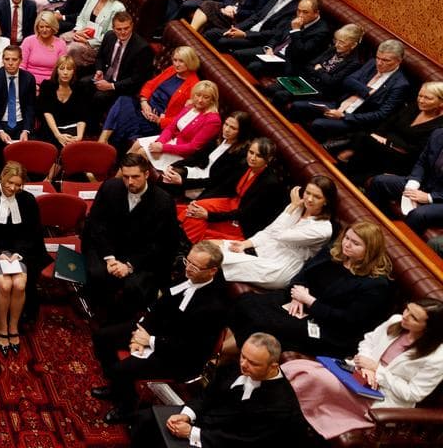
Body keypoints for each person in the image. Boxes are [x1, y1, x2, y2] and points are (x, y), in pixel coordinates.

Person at [91, 241, 230, 423]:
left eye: (195, 266)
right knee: (102, 337)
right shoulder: (188, 274)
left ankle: (126, 407)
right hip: (157, 332)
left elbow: (188, 346)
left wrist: (150, 341)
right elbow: (159, 307)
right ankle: (117, 387)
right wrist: (141, 334)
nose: (188, 268)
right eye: (188, 262)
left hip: (178, 356)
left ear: (212, 271)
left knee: (121, 369)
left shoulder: (215, 306)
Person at [282, 300, 443, 439]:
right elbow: (368, 341)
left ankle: (284, 409)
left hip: (381, 396)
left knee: (315, 378)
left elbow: (413, 393)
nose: (405, 315)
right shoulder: (396, 321)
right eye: (407, 308)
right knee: (302, 368)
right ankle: (283, 406)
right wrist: (364, 362)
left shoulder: (437, 357)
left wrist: (377, 371)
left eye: (413, 317)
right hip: (359, 372)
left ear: (429, 328)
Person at [232, 220, 394, 356]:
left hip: (328, 329)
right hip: (299, 301)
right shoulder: (333, 252)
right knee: (246, 302)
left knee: (263, 323)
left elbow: (348, 320)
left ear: (370, 250)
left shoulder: (376, 285)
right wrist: (297, 295)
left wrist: (310, 301)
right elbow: (303, 274)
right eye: (347, 238)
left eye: (355, 243)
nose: (347, 244)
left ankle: (233, 359)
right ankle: (227, 357)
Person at [135, 332, 307, 448]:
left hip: (222, 441)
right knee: (145, 419)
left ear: (273, 366)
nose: (243, 365)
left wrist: (193, 433)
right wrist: (187, 414)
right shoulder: (238, 365)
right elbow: (207, 395)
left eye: (253, 363)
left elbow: (244, 440)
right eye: (243, 357)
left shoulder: (280, 406)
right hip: (205, 423)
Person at [82, 153, 181, 322]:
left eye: (135, 177)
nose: (130, 182)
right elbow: (96, 225)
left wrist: (129, 265)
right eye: (126, 177)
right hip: (108, 248)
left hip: (141, 255)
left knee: (134, 287)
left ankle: (120, 321)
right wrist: (110, 258)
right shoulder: (110, 187)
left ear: (147, 175)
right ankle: (96, 309)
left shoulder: (163, 201)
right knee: (97, 273)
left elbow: (161, 243)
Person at [0, 161, 48, 356]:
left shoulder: (28, 201)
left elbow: (32, 233)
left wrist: (18, 253)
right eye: (9, 182)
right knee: (5, 285)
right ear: (2, 177)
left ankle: (13, 327)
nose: (12, 188)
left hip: (21, 252)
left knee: (19, 284)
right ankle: (2, 327)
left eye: (18, 185)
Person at [287, 40, 411, 140]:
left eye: (386, 60)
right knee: (298, 106)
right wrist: (366, 92)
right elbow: (348, 80)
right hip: (338, 104)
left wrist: (345, 116)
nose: (379, 63)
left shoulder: (400, 84)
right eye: (378, 57)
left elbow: (380, 114)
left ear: (398, 61)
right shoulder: (372, 63)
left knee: (319, 124)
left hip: (356, 119)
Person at [178, 137, 288, 243]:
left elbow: (246, 213)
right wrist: (200, 200)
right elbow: (221, 185)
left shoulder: (270, 183)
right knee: (195, 208)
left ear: (269, 159)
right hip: (231, 203)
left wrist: (209, 216)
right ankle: (181, 236)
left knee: (197, 218)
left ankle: (186, 243)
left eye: (259, 156)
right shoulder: (244, 164)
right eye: (251, 152)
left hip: (243, 221)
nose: (252, 158)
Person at [99, 46, 201, 150]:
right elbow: (150, 85)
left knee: (124, 116)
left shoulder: (194, 86)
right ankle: (103, 142)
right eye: (175, 60)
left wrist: (159, 120)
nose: (176, 64)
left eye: (181, 61)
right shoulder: (172, 70)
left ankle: (105, 145)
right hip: (145, 106)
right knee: (123, 100)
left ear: (190, 62)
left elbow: (184, 118)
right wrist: (144, 102)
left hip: (155, 120)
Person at [130, 80, 222, 172]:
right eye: (198, 95)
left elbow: (192, 147)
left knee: (142, 152)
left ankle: (127, 181)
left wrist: (163, 148)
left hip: (183, 154)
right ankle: (119, 179)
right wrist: (160, 142)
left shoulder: (213, 120)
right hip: (172, 141)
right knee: (137, 144)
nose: (200, 100)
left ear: (212, 100)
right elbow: (171, 127)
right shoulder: (190, 106)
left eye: (206, 97)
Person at [367, 127, 443, 237]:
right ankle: (371, 229)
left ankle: (393, 245)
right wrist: (413, 183)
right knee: (379, 181)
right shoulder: (438, 133)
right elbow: (422, 162)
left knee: (418, 215)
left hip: (440, 200)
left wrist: (430, 197)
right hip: (425, 184)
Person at [159, 111, 252, 200]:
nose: (227, 129)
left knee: (168, 185)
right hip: (198, 172)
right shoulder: (220, 138)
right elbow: (197, 157)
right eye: (226, 124)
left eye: (233, 128)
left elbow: (215, 181)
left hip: (207, 186)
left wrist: (183, 182)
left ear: (242, 132)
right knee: (167, 176)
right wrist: (174, 165)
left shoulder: (240, 154)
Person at [62, 0, 125, 67]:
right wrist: (78, 31)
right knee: (62, 39)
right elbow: (82, 17)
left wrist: (87, 41)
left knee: (72, 48)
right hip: (81, 33)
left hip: (96, 44)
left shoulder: (117, 8)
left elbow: (110, 35)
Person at [0, 45, 37, 143]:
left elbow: (30, 107)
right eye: (7, 59)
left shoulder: (29, 78)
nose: (10, 63)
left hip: (21, 124)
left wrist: (26, 130)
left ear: (20, 60)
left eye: (14, 59)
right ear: (2, 60)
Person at [37, 55, 88, 146]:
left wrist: (79, 136)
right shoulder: (47, 85)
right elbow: (47, 112)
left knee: (73, 147)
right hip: (52, 129)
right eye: (62, 69)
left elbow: (82, 115)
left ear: (74, 72)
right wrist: (58, 135)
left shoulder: (80, 87)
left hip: (71, 128)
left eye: (69, 69)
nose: (65, 72)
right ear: (57, 70)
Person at [18, 10, 67, 84]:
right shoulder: (28, 41)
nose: (44, 30)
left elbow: (61, 69)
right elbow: (21, 66)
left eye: (47, 27)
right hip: (29, 82)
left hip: (50, 84)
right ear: (37, 28)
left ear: (53, 27)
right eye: (41, 27)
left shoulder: (61, 44)